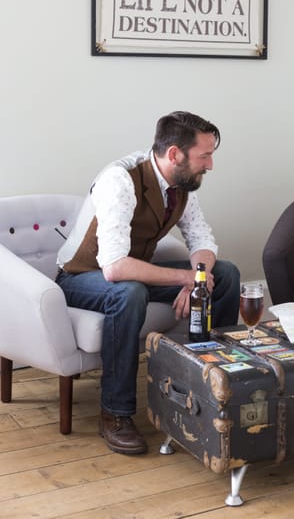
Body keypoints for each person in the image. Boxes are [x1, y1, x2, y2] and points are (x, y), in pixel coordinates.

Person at [56, 111, 240, 455]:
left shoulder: (183, 184)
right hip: (79, 278)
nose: (210, 165)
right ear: (175, 154)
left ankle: (213, 384)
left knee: (225, 274)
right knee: (129, 292)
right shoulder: (119, 180)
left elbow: (202, 239)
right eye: (205, 155)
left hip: (131, 271)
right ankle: (115, 412)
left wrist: (197, 278)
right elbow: (113, 268)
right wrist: (187, 277)